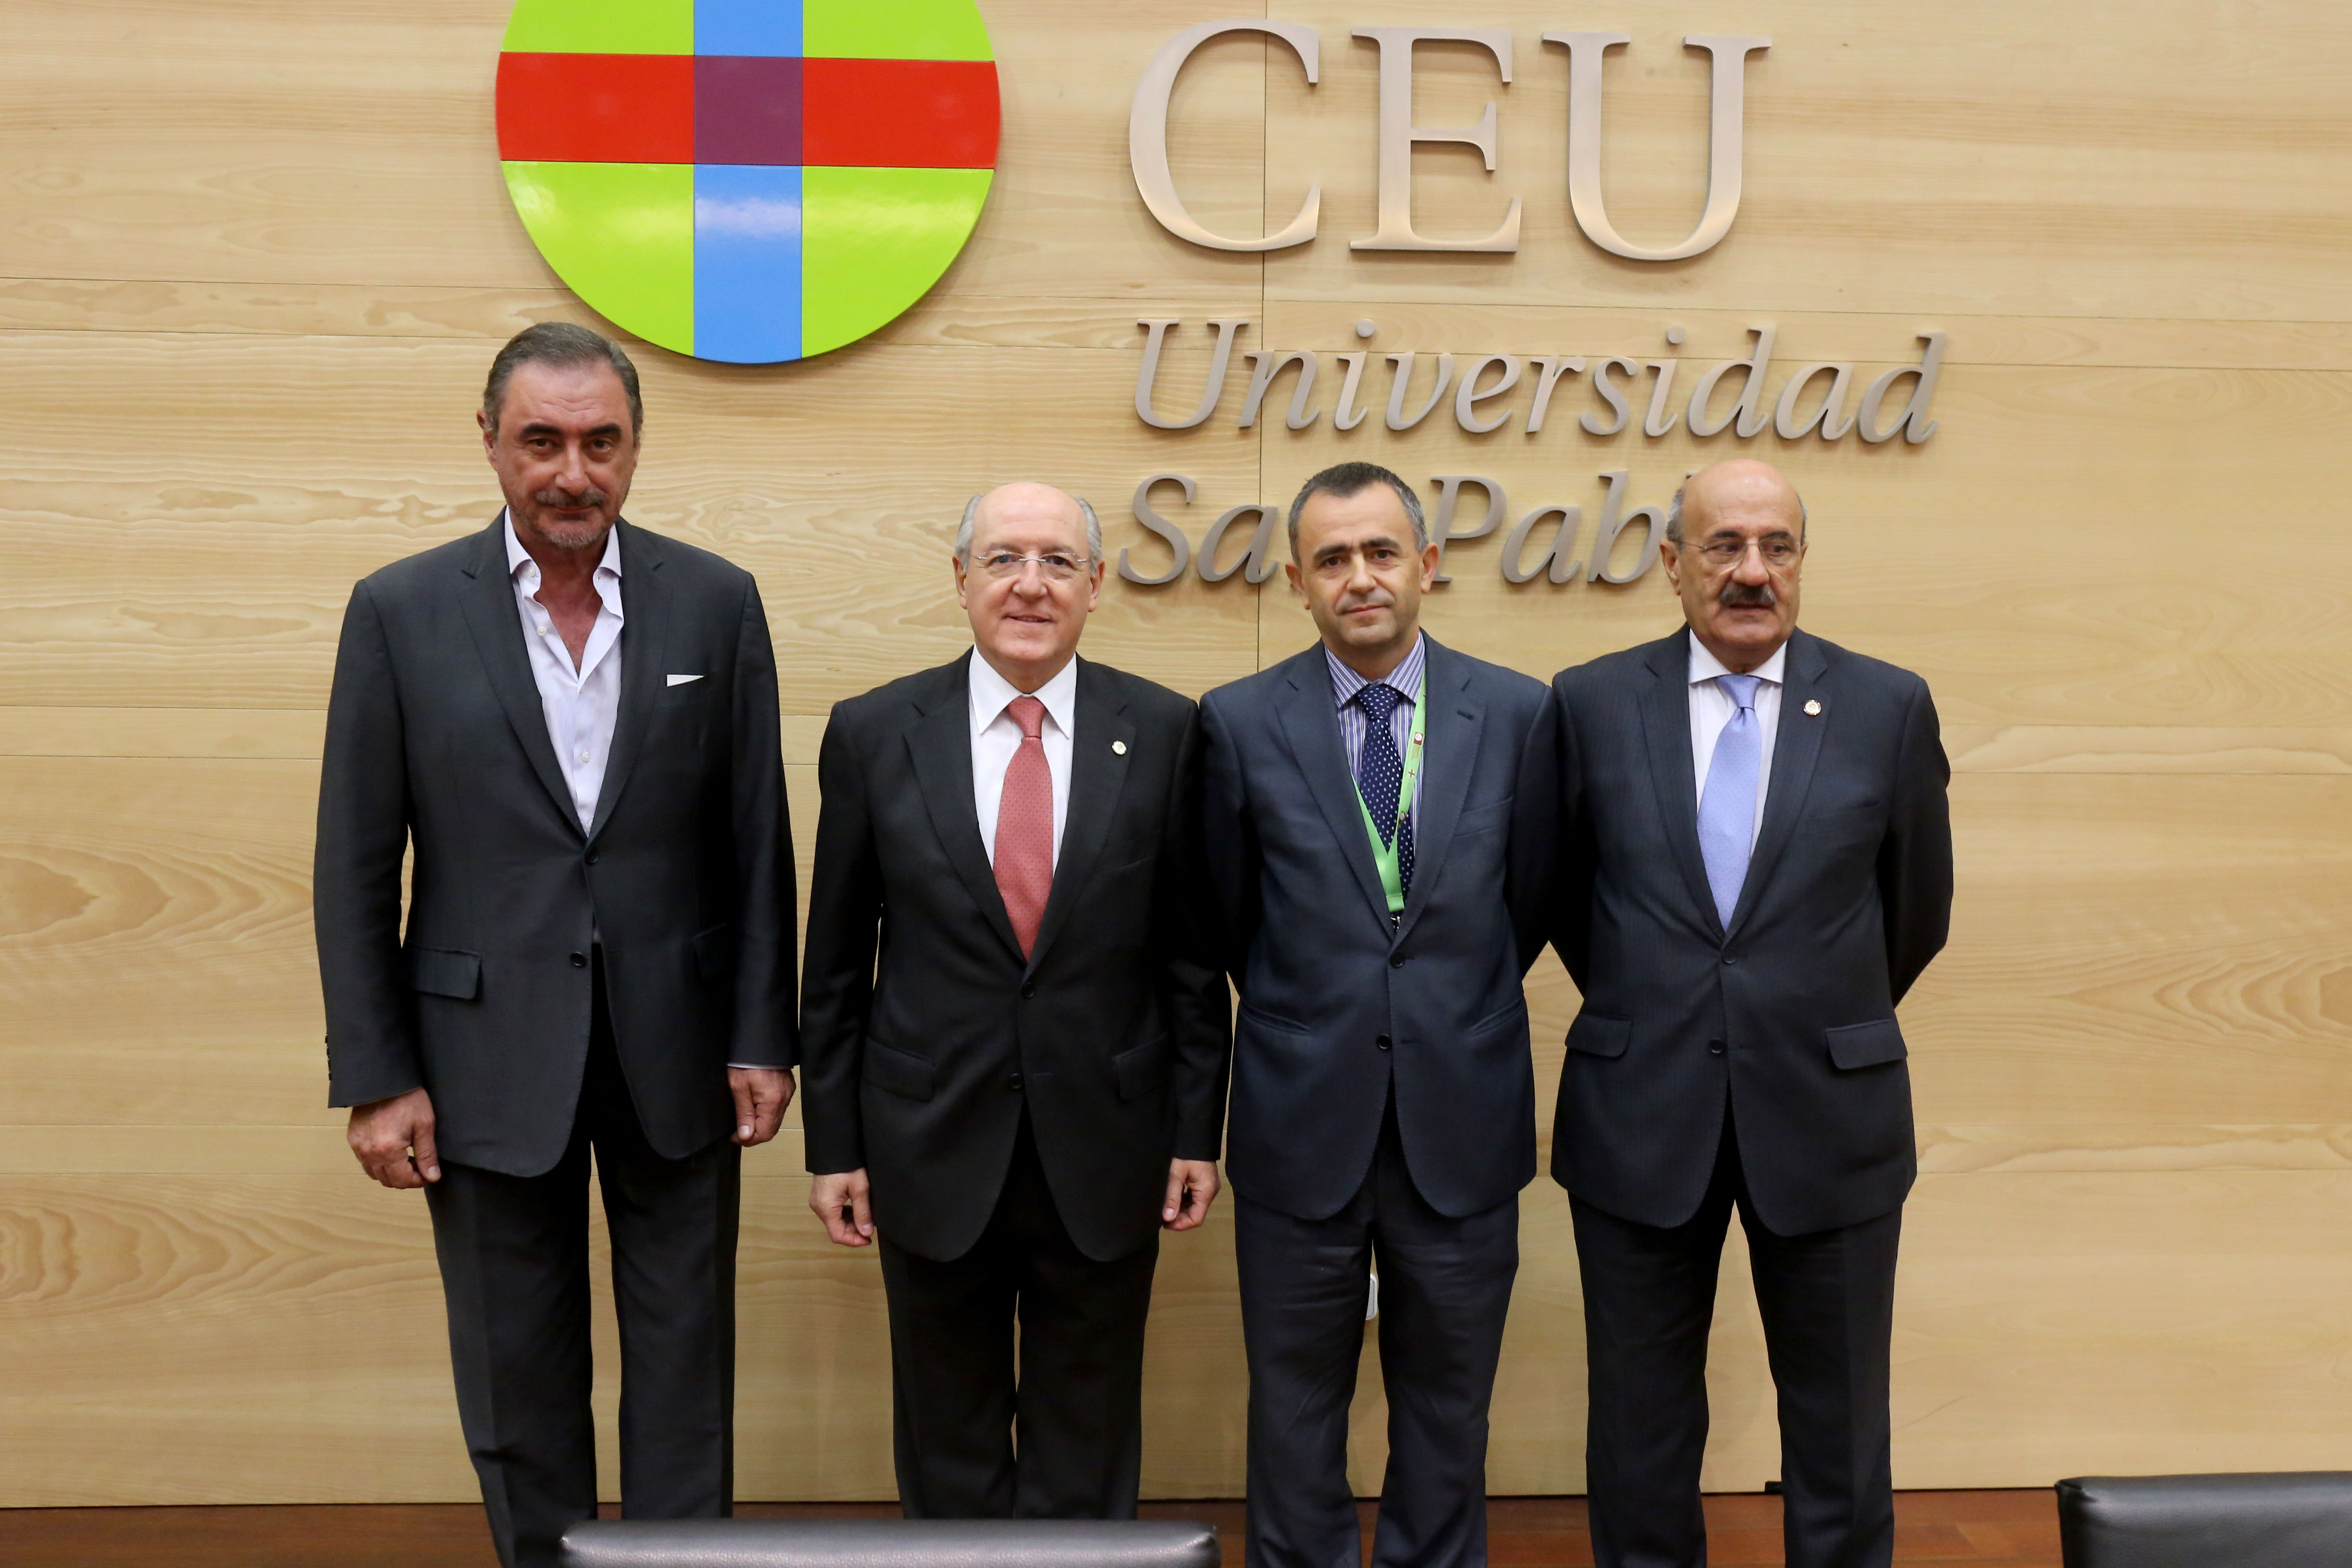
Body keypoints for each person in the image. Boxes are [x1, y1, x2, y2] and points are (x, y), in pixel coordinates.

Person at [313, 323, 796, 1568]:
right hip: (478, 1056)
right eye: (542, 441)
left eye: (600, 442)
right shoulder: (401, 610)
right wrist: (378, 1072)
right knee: (516, 1370)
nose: (572, 472)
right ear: (490, 443)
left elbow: (755, 839)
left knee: (685, 1364)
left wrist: (763, 1034)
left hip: (679, 1048)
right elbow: (355, 862)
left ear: (635, 447)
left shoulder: (717, 600)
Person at [1540, 458, 1954, 1568]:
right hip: (1639, 1108)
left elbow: (1915, 910)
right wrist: (1662, 1001)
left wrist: (1801, 1007)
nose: (1751, 570)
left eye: (1776, 545)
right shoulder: (1588, 703)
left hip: (1830, 1112)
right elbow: (1561, 899)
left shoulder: (1886, 705)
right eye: (1723, 545)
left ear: (1802, 560)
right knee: (1638, 1422)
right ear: (1673, 563)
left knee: (1840, 1421)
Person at [796, 482, 1229, 1520]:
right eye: (1003, 559)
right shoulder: (874, 731)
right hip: (927, 1140)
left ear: (1096, 583)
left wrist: (1195, 1131)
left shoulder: (1165, 730)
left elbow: (1190, 958)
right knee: (947, 1438)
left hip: (1108, 1143)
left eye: (1057, 561)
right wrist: (833, 1145)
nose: (1030, 584)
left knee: (1089, 1437)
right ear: (961, 579)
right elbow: (836, 963)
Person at [1199, 462, 1554, 1568]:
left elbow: (1533, 900)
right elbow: (1226, 918)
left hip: (1462, 1113)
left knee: (1449, 1403)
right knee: (1294, 1404)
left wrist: (1439, 1002)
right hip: (1301, 1117)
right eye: (1333, 559)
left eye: (1381, 551)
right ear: (1297, 581)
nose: (1360, 577)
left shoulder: (1518, 713)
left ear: (1426, 565)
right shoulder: (1236, 722)